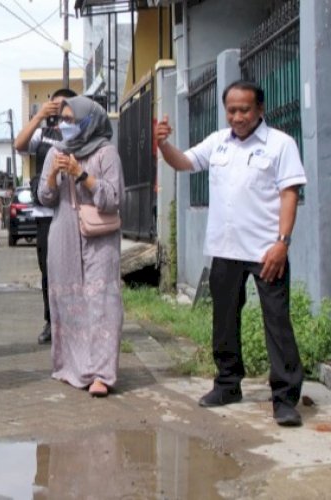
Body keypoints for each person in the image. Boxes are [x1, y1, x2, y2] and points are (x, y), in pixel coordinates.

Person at [155, 80, 305, 427]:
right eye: (232, 110)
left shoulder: (280, 144)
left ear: (260, 110)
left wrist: (282, 242)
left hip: (267, 251)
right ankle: (227, 384)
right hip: (225, 249)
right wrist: (163, 144)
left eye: (245, 110)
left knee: (277, 323)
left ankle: (284, 398)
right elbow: (183, 162)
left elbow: (289, 194)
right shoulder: (218, 142)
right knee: (224, 321)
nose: (237, 117)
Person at [37, 96, 123, 398]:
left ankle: (102, 374)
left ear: (90, 122)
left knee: (102, 304)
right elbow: (45, 198)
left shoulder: (106, 153)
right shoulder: (55, 152)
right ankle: (71, 367)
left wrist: (81, 175)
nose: (65, 125)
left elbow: (113, 198)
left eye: (72, 120)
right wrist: (53, 175)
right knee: (68, 302)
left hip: (99, 237)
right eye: (63, 120)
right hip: (63, 234)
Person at [16, 88, 77, 344]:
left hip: (72, 210)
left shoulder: (80, 134)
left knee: (74, 269)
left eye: (63, 106)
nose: (58, 111)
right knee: (48, 270)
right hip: (45, 212)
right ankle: (51, 321)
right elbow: (19, 145)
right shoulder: (42, 133)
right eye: (54, 106)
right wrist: (39, 116)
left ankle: (75, 322)